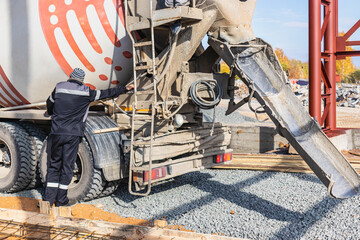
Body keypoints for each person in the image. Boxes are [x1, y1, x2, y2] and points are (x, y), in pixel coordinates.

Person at [43, 68, 134, 207]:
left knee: (54, 165)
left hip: (57, 133)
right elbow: (106, 93)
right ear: (82, 80)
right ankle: (61, 201)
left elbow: (49, 103)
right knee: (67, 167)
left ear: (70, 76)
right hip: (72, 135)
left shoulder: (59, 87)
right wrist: (125, 89)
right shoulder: (86, 92)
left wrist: (50, 112)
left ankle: (48, 201)